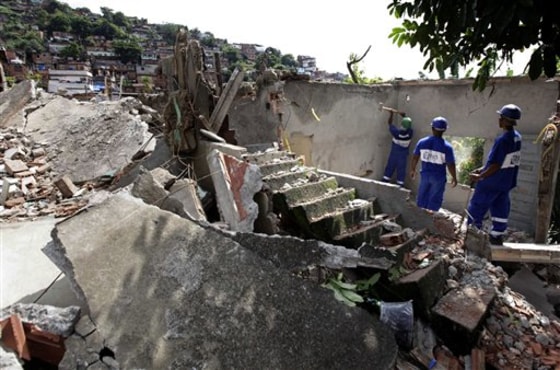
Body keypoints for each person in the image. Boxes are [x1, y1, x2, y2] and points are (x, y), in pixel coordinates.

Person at [467, 104, 522, 245]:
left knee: (477, 207)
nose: (499, 120)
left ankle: (473, 236)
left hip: (492, 182)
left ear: (505, 120)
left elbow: (497, 164)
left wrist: (480, 176)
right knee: (500, 207)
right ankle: (496, 235)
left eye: (500, 117)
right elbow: (504, 161)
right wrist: (482, 168)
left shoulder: (502, 139)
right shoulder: (517, 138)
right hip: (506, 182)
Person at [409, 117, 457, 212]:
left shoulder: (422, 142)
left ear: (432, 128)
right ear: (445, 130)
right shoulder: (447, 147)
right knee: (434, 199)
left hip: (425, 175)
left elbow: (415, 157)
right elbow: (450, 164)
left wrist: (413, 169)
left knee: (422, 196)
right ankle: (431, 219)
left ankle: (420, 216)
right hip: (438, 177)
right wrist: (454, 177)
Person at [382, 109, 413, 187]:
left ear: (401, 125)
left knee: (390, 167)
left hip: (394, 154)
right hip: (403, 155)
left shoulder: (396, 133)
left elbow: (389, 123)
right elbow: (408, 125)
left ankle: (384, 182)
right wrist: (404, 116)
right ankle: (400, 186)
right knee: (401, 170)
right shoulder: (410, 133)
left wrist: (391, 114)